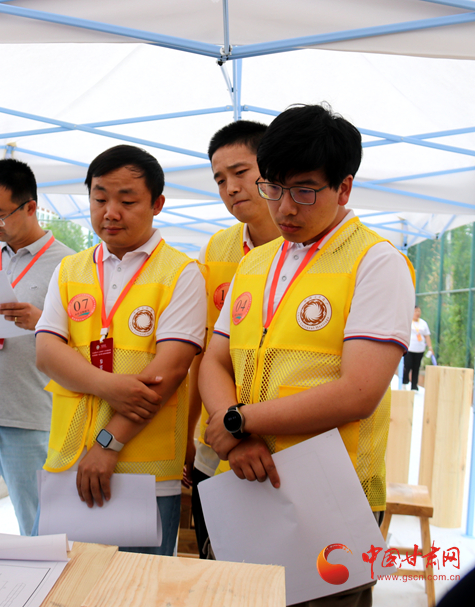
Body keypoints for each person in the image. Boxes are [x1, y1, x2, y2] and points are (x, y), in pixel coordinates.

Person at [200, 104, 414, 606]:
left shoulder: (376, 262)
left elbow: (358, 392)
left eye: (304, 190)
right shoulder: (255, 263)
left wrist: (237, 421)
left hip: (331, 495)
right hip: (246, 479)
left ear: (344, 187)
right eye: (273, 188)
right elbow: (215, 361)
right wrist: (237, 438)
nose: (285, 208)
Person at [35, 145, 207, 556]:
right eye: (99, 199)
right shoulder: (70, 269)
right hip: (68, 463)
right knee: (66, 584)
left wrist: (108, 444)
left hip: (145, 474)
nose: (110, 212)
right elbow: (46, 352)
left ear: (157, 204)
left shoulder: (181, 274)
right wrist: (108, 386)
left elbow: (168, 372)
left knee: (138, 586)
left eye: (127, 201)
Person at [0, 159, 73, 536]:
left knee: (38, 528)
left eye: (0, 214)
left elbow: (84, 344)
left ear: (31, 207)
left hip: (29, 416)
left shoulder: (68, 265)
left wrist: (43, 322)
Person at [184, 120, 281, 560]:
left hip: (290, 448)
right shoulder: (217, 250)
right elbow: (203, 353)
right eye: (220, 180)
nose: (231, 188)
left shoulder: (316, 250)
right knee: (217, 568)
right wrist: (189, 433)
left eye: (241, 172)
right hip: (220, 442)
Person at [403, 305, 432, 391]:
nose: (417, 313)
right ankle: (404, 382)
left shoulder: (423, 323)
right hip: (409, 348)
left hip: (419, 349)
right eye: (415, 311)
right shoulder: (408, 322)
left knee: (416, 367)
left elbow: (427, 336)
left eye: (419, 311)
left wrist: (430, 347)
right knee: (407, 366)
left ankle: (414, 386)